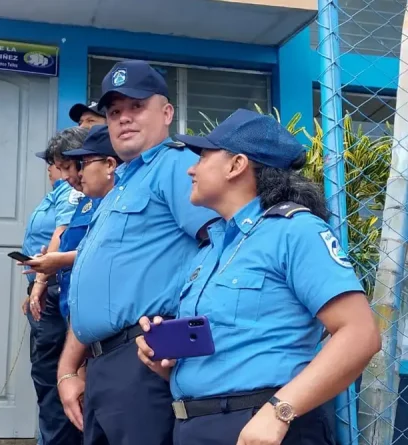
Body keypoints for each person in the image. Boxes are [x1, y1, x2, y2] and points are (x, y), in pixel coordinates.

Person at [135, 109, 381, 445]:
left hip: (263, 426)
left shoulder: (295, 231)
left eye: (204, 156)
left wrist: (279, 411)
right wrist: (167, 361)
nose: (191, 168)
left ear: (236, 165)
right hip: (194, 425)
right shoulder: (211, 248)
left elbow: (360, 333)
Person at [56, 60, 219, 445]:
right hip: (102, 366)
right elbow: (97, 286)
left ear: (166, 113)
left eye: (136, 107)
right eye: (114, 112)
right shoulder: (123, 184)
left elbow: (223, 250)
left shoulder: (177, 166)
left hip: (145, 359)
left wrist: (185, 338)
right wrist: (69, 368)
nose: (124, 119)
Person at [20, 127, 86, 445]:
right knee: (47, 374)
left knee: (55, 373)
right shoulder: (57, 193)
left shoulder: (73, 193)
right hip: (49, 283)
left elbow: (61, 237)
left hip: (60, 287)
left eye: (58, 163)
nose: (53, 168)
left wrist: (40, 283)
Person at [24, 125, 120, 326]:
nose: (65, 177)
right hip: (72, 307)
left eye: (68, 167)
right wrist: (48, 262)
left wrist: (57, 262)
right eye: (60, 169)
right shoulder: (85, 200)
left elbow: (108, 250)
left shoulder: (113, 196)